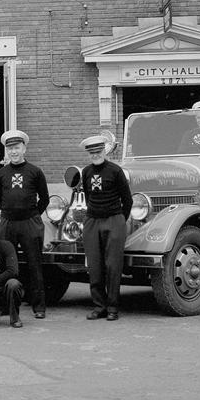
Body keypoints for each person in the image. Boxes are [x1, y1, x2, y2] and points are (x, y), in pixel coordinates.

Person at [0, 129, 49, 319]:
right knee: (5, 264)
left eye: (17, 148)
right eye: (10, 149)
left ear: (24, 148)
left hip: (29, 223)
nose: (14, 152)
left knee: (34, 264)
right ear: (6, 151)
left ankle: (39, 306)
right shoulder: (0, 173)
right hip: (8, 222)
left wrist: (32, 215)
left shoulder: (35, 171)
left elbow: (45, 199)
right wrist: (10, 213)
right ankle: (5, 305)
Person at [80, 134, 132, 322]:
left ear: (105, 150)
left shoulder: (115, 171)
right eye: (92, 153)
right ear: (88, 154)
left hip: (114, 220)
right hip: (92, 221)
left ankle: (112, 307)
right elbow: (88, 196)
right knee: (94, 266)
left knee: (113, 265)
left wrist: (119, 220)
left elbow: (127, 200)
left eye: (98, 151)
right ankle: (99, 306)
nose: (95, 155)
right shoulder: (86, 172)